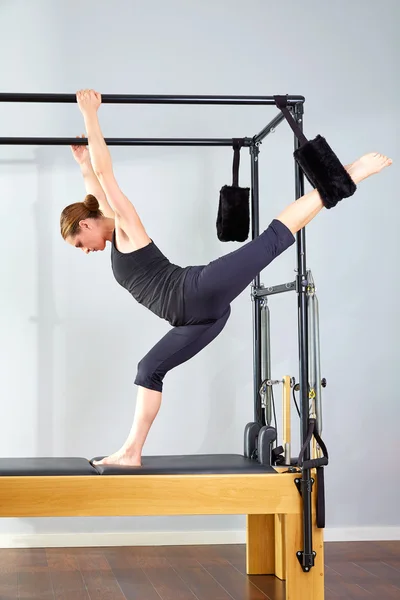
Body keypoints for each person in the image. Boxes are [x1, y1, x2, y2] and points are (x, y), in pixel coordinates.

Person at [60, 89, 392, 467]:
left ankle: (349, 174)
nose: (85, 251)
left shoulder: (125, 227)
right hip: (197, 319)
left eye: (79, 244)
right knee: (148, 370)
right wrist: (84, 163)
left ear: (85, 225)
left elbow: (105, 176)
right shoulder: (103, 222)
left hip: (196, 292)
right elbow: (94, 184)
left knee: (271, 241)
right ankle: (131, 452)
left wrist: (90, 115)